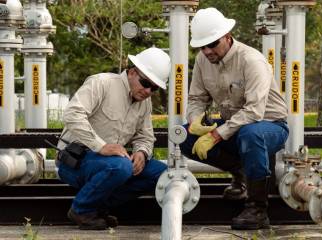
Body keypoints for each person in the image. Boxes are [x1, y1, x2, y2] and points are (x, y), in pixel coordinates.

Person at [180, 8, 289, 230]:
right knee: (184, 136)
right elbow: (196, 98)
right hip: (234, 125)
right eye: (202, 46)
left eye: (213, 44)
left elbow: (254, 111)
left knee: (252, 133)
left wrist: (216, 134)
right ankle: (242, 173)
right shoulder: (203, 60)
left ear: (228, 37)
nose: (207, 50)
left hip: (269, 126)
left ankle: (257, 208)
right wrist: (195, 121)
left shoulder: (252, 60)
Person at [56, 47, 170, 230]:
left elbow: (145, 136)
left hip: (111, 166)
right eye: (145, 83)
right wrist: (101, 146)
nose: (148, 91)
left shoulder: (144, 102)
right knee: (121, 166)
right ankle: (81, 210)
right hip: (74, 162)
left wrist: (141, 152)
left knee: (163, 174)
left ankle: (97, 206)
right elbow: (72, 115)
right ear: (133, 72)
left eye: (154, 88)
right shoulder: (101, 83)